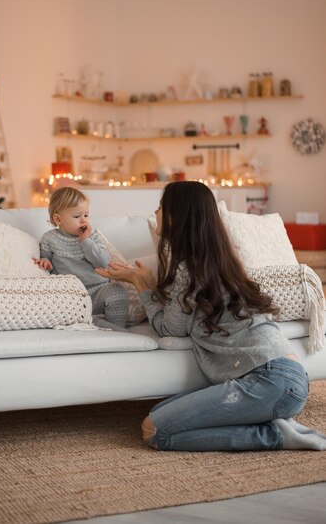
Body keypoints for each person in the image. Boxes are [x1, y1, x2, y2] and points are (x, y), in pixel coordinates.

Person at [96, 181, 326, 452]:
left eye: (160, 207)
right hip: (285, 376)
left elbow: (171, 329)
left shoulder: (187, 267)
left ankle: (274, 435)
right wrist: (147, 281)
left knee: (155, 430)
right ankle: (274, 421)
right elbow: (181, 313)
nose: (155, 212)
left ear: (176, 215)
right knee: (160, 411)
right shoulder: (214, 261)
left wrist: (140, 284)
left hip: (269, 380)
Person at [33, 186, 128, 329]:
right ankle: (95, 322)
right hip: (71, 294)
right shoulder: (49, 238)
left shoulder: (93, 235)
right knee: (59, 307)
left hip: (98, 289)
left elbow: (103, 262)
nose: (83, 220)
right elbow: (45, 258)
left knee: (117, 290)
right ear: (58, 219)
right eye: (77, 217)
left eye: (86, 215)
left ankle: (116, 328)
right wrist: (45, 261)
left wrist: (85, 241)